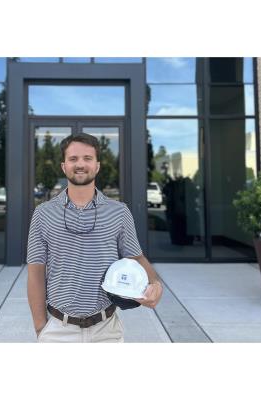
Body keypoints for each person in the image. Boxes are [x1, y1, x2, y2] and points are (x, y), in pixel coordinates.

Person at [27, 133, 163, 343]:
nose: (80, 164)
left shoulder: (119, 212)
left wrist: (155, 284)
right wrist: (40, 327)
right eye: (73, 159)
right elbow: (35, 273)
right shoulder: (43, 213)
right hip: (58, 331)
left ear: (97, 166)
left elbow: (136, 258)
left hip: (106, 330)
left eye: (87, 158)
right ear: (64, 166)